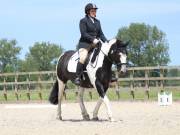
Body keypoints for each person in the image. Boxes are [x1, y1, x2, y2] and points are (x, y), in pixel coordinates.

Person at [74, 3, 107, 85]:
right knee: (83, 57)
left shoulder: (97, 22)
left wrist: (107, 42)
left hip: (96, 44)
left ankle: (107, 74)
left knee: (106, 54)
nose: (94, 12)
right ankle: (78, 77)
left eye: (95, 10)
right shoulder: (83, 21)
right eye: (92, 10)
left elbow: (101, 34)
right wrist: (93, 39)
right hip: (85, 44)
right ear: (88, 12)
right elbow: (84, 34)